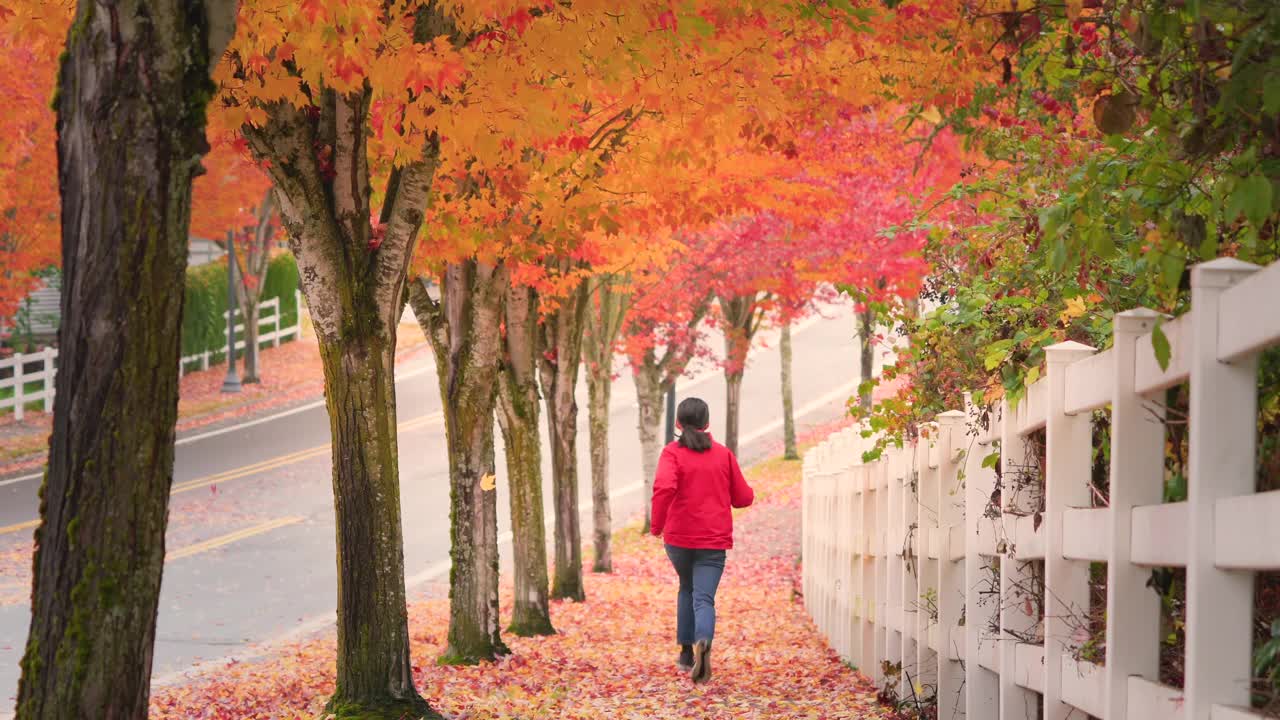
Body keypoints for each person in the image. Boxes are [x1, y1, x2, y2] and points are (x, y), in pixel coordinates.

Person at [650, 396, 755, 684]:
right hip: (713, 540)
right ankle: (703, 639)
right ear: (707, 423)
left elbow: (663, 488)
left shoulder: (671, 454)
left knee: (686, 588)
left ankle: (685, 654)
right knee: (703, 597)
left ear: (677, 424)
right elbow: (743, 498)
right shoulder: (723, 455)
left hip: (679, 539)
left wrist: (656, 526)